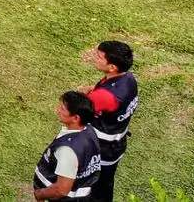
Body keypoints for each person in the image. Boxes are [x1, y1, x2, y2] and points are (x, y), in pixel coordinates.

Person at [85, 41, 137, 201]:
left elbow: (79, 111)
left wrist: (85, 95)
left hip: (102, 150)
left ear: (112, 67)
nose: (94, 57)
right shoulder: (128, 79)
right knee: (105, 184)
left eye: (99, 57)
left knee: (95, 188)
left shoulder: (105, 96)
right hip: (116, 144)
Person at [33, 91, 103, 200]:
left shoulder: (67, 150)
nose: (58, 110)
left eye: (62, 109)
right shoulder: (89, 130)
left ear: (75, 118)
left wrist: (40, 194)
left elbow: (61, 190)